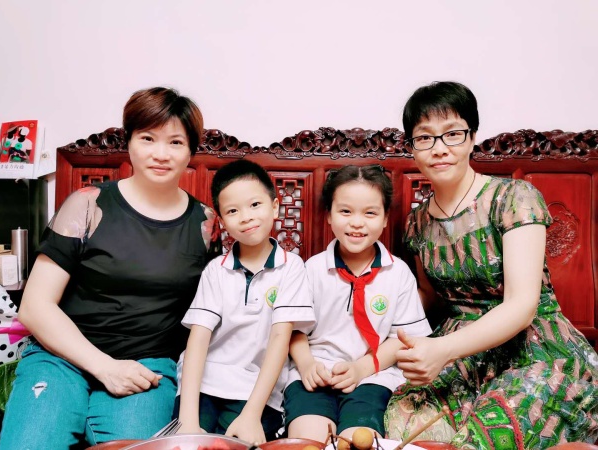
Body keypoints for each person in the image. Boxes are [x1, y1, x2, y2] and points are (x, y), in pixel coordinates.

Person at [0, 87, 221, 449]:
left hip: (147, 367)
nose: (161, 154)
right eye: (147, 138)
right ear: (128, 141)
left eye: (176, 142)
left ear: (191, 151)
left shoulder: (205, 224)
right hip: (60, 355)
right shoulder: (87, 204)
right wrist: (105, 367)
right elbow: (35, 305)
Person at [384, 81, 598, 449]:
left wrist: (442, 350)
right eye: (425, 137)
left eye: (453, 134)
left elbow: (522, 305)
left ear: (472, 138)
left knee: (488, 435)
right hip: (463, 353)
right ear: (412, 147)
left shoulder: (514, 198)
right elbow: (431, 299)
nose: (439, 148)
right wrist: (373, 320)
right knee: (402, 420)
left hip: (534, 347)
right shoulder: (417, 222)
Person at [284, 165, 432, 443]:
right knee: (309, 440)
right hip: (315, 375)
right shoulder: (311, 269)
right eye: (345, 211)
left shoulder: (398, 273)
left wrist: (361, 369)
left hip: (372, 377)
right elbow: (293, 330)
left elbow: (402, 339)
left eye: (370, 213)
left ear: (385, 219)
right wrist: (307, 365)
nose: (356, 223)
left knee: (358, 440)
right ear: (329, 215)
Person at [177, 159, 316, 444]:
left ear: (275, 207)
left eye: (255, 205)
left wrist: (251, 415)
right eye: (233, 211)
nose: (246, 217)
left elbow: (280, 338)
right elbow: (198, 339)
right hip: (205, 384)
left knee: (234, 444)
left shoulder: (291, 267)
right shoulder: (216, 270)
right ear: (222, 220)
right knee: (189, 443)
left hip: (257, 391)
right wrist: (187, 420)